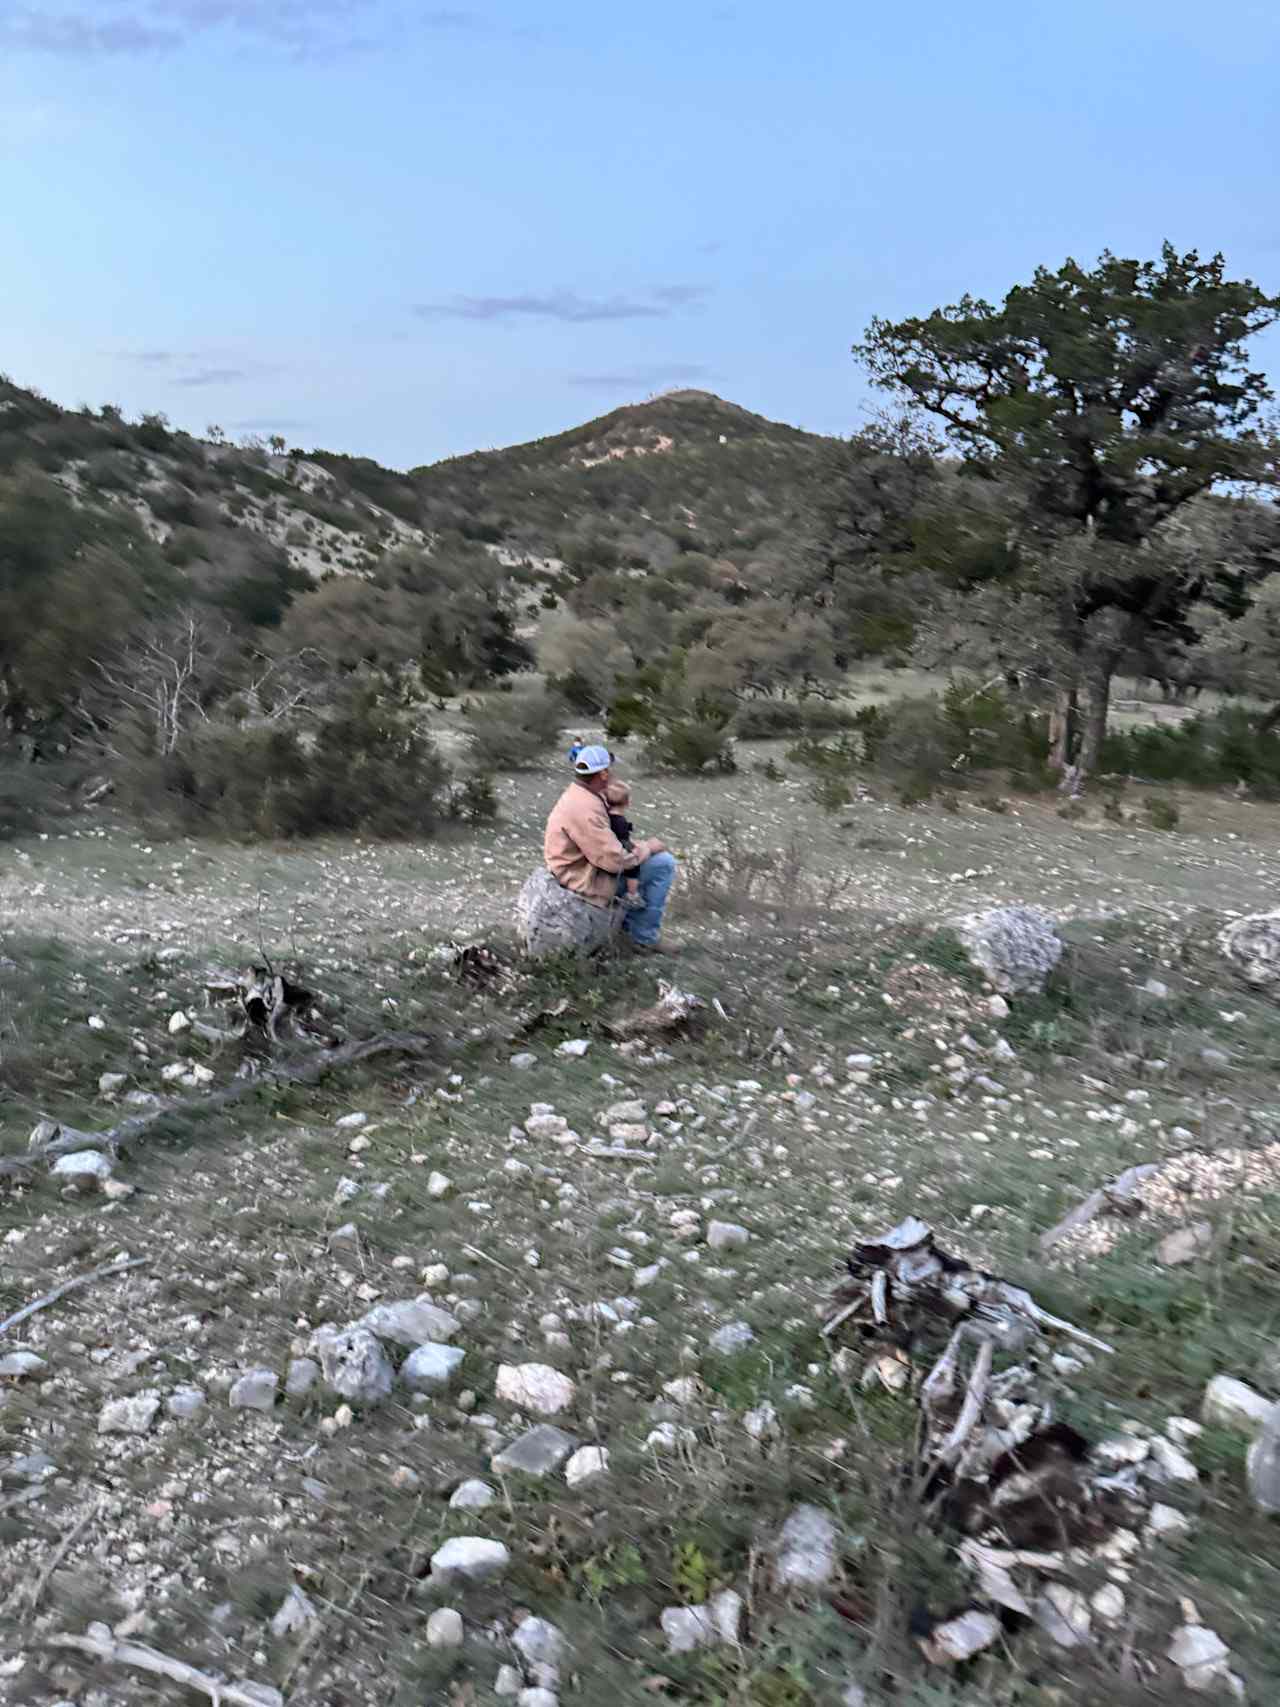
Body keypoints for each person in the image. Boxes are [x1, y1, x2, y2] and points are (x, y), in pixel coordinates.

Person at [543, 744, 677, 951]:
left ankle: (629, 927)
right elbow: (615, 861)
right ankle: (643, 938)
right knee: (663, 864)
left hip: (578, 869)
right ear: (603, 774)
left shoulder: (579, 795)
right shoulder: (585, 808)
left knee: (647, 861)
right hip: (584, 879)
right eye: (610, 770)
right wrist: (648, 848)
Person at [604, 780, 644, 910]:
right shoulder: (620, 821)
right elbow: (623, 841)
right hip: (619, 853)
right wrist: (635, 850)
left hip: (609, 851)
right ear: (627, 802)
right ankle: (632, 894)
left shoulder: (606, 817)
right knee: (634, 867)